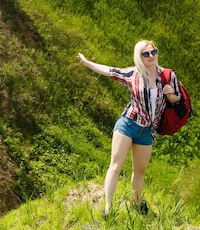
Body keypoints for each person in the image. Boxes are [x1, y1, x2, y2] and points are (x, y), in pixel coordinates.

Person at [77, 39, 181, 218]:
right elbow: (109, 70)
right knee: (116, 166)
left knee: (140, 171)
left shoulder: (167, 75)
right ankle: (108, 208)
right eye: (146, 54)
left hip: (147, 131)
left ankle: (138, 204)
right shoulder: (133, 73)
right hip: (128, 124)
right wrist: (87, 63)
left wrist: (171, 96)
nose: (151, 56)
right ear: (139, 56)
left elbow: (177, 99)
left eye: (153, 52)